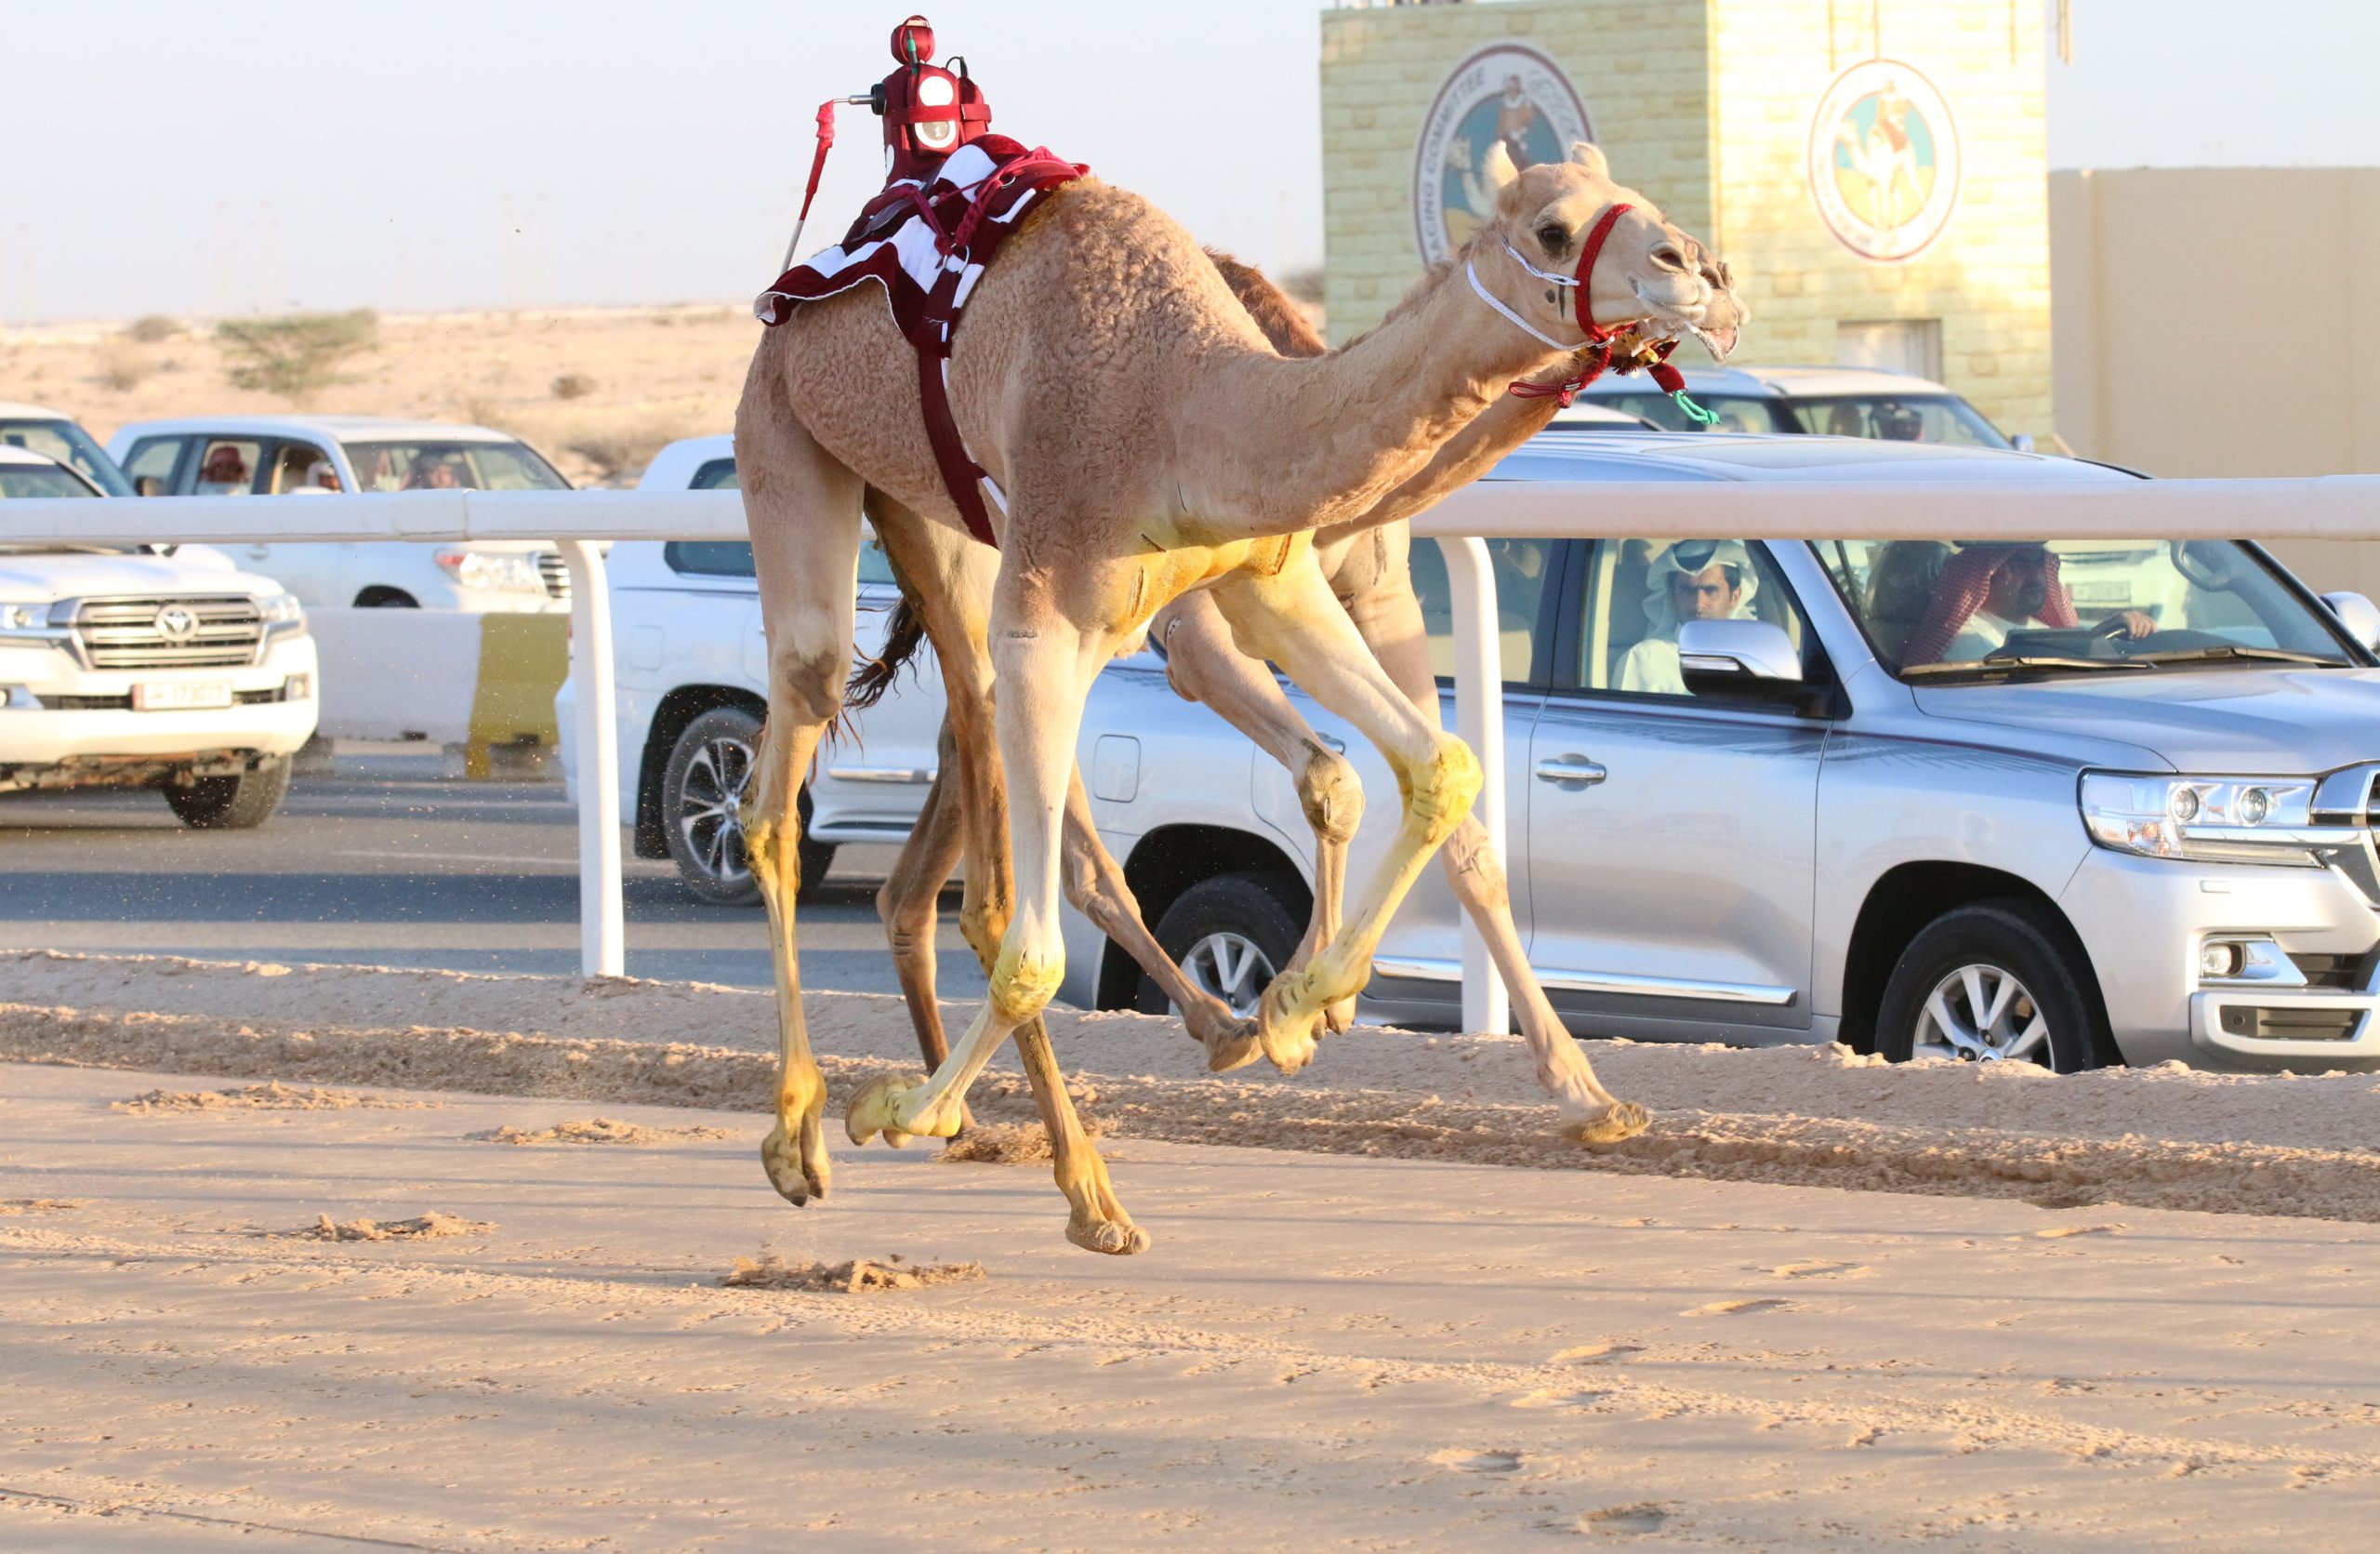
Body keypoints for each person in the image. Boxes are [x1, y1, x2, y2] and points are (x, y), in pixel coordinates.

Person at [1901, 543, 2154, 665]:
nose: (2036, 576)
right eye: (2021, 564)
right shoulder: (1967, 641)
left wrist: (2112, 629)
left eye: (2039, 565)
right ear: (1988, 574)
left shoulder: (2039, 629)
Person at [1619, 538, 1760, 695]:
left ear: (1734, 597)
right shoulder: (1645, 660)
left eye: (1710, 590)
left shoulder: (1758, 660)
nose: (1699, 604)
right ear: (1672, 597)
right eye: (1687, 590)